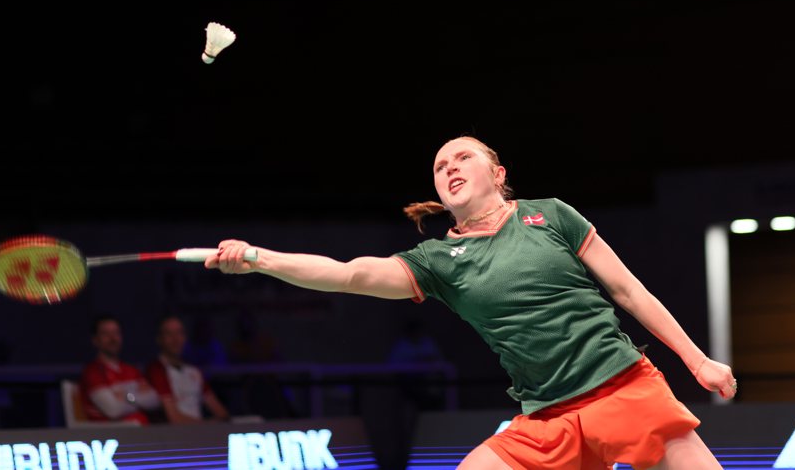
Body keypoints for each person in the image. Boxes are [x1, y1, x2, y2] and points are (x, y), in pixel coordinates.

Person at [205, 136, 736, 469]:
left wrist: (698, 360)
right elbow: (349, 275)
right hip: (546, 416)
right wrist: (259, 258)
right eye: (440, 165)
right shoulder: (440, 260)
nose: (449, 167)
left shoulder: (549, 215)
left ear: (498, 175)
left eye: (463, 157)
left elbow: (628, 291)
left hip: (621, 386)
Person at [145, 315, 231, 423]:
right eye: (169, 334)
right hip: (175, 436)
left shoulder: (194, 371)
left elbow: (220, 412)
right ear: (159, 339)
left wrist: (220, 422)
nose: (175, 339)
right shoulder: (156, 370)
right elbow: (174, 418)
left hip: (200, 434)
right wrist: (208, 426)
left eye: (179, 333)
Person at [79, 314, 160, 425]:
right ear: (95, 340)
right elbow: (113, 410)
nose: (113, 338)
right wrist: (138, 397)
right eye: (105, 334)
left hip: (141, 432)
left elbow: (155, 400)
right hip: (110, 436)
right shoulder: (92, 372)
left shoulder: (132, 370)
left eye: (116, 333)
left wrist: (127, 397)